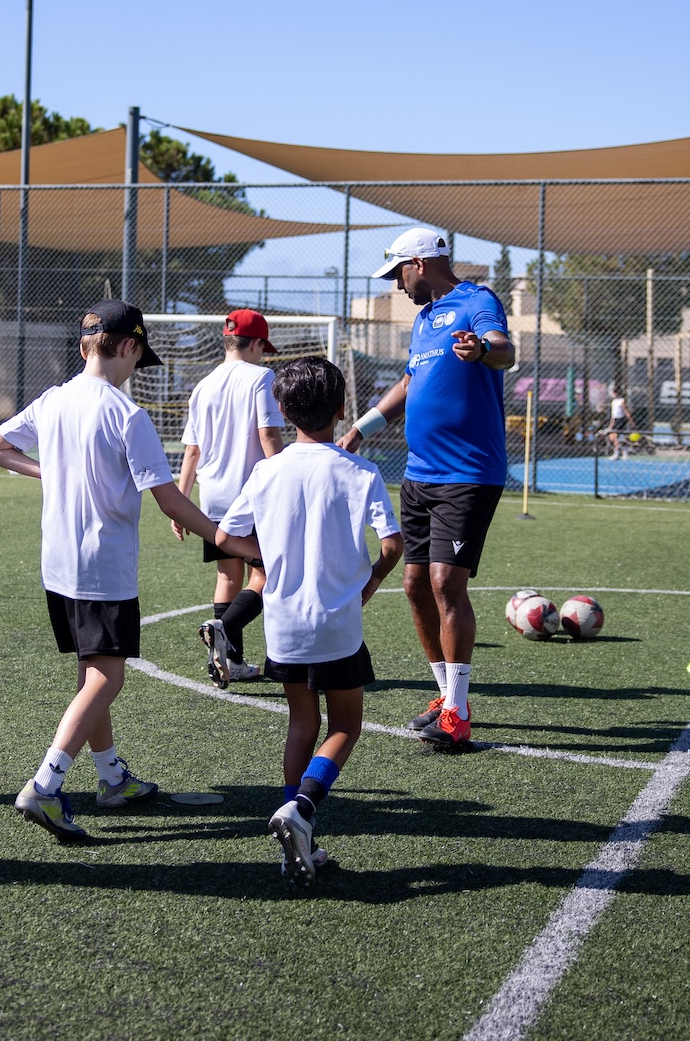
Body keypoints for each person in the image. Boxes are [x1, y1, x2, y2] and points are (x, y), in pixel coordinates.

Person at [0, 299, 225, 844]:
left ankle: (112, 778)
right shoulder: (125, 413)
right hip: (102, 566)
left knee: (94, 672)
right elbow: (168, 500)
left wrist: (49, 471)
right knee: (107, 676)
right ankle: (45, 786)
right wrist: (229, 540)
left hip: (59, 564)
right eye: (140, 357)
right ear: (130, 346)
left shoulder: (54, 399)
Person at [214, 356, 401, 883]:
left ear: (282, 408)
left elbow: (226, 536)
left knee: (302, 724)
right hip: (337, 623)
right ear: (343, 410)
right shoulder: (359, 471)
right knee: (346, 725)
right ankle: (303, 809)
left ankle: (295, 844)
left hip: (284, 625)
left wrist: (267, 562)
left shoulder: (266, 470)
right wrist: (372, 580)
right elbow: (392, 544)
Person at [341, 227, 514, 750]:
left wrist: (481, 348)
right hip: (419, 474)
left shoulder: (477, 300)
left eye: (397, 272)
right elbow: (411, 383)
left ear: (419, 263)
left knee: (444, 583)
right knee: (414, 585)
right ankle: (447, 697)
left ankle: (457, 714)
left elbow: (505, 350)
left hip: (468, 473)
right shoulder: (422, 321)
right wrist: (362, 429)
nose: (396, 284)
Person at [172, 308, 284, 687]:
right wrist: (288, 480)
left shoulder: (202, 385)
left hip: (211, 498)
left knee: (227, 576)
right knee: (268, 574)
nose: (263, 355)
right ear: (254, 344)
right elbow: (268, 435)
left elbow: (192, 450)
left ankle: (231, 661)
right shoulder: (261, 377)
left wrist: (181, 503)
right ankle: (224, 627)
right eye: (262, 348)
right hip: (251, 495)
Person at [605, 387, 631, 460]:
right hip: (615, 420)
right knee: (612, 437)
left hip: (621, 420)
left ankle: (617, 453)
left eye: (612, 392)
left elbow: (625, 411)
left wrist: (630, 420)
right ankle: (623, 450)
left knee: (615, 436)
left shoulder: (621, 401)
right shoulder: (613, 402)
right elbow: (613, 415)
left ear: (616, 393)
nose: (611, 394)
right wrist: (611, 424)